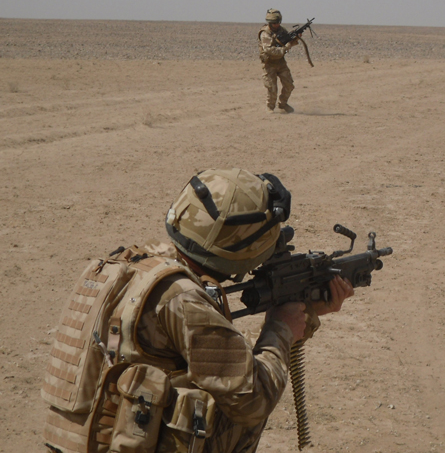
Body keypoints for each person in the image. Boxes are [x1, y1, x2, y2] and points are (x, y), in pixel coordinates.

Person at [41, 168, 354, 453]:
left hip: (77, 440)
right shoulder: (183, 298)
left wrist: (308, 312)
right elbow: (252, 400)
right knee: (237, 402)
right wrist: (281, 329)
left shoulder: (127, 264)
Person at [258, 9, 300, 114]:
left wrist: (295, 40)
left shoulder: (282, 31)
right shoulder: (265, 33)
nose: (276, 25)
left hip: (281, 63)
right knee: (272, 88)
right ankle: (270, 107)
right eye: (274, 23)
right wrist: (285, 49)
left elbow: (288, 43)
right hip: (269, 64)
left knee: (289, 85)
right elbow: (269, 50)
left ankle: (283, 104)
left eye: (278, 22)